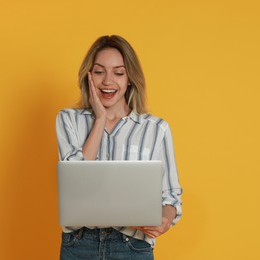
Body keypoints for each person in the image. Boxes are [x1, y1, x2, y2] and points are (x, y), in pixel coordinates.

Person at [56, 35, 182, 260]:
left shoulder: (156, 129)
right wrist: (100, 119)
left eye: (118, 72)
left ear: (130, 78)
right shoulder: (68, 120)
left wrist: (164, 219)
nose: (108, 81)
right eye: (99, 71)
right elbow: (77, 184)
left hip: (132, 246)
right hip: (79, 245)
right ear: (89, 76)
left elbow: (171, 196)